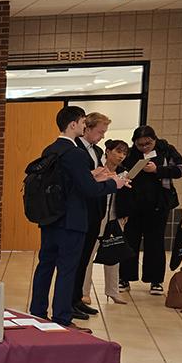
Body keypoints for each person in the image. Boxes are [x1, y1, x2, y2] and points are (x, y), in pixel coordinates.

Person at [28, 106, 128, 333]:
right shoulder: (76, 153)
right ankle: (62, 318)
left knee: (45, 266)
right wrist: (114, 183)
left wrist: (93, 174)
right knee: (67, 269)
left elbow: (67, 182)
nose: (85, 126)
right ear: (73, 124)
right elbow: (89, 190)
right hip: (72, 220)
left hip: (51, 218)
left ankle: (38, 312)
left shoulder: (51, 149)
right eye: (83, 122)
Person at [118, 125, 182, 295]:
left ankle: (155, 280)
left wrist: (158, 170)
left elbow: (181, 169)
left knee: (155, 242)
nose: (144, 147)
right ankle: (125, 278)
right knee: (130, 240)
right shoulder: (131, 153)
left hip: (158, 203)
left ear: (154, 139)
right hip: (134, 204)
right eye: (140, 145)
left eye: (148, 144)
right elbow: (121, 171)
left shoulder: (166, 149)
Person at [82, 139, 133, 306]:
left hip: (115, 217)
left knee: (114, 251)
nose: (121, 156)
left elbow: (127, 196)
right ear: (108, 151)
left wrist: (124, 214)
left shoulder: (124, 172)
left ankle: (113, 291)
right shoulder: (98, 167)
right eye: (118, 151)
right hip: (98, 216)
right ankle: (84, 292)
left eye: (124, 153)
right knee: (89, 253)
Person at [72, 112, 112, 317]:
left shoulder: (97, 150)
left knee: (86, 256)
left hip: (96, 209)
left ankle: (78, 297)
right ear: (86, 128)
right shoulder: (74, 149)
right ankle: (70, 300)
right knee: (76, 259)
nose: (102, 136)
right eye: (100, 132)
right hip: (81, 210)